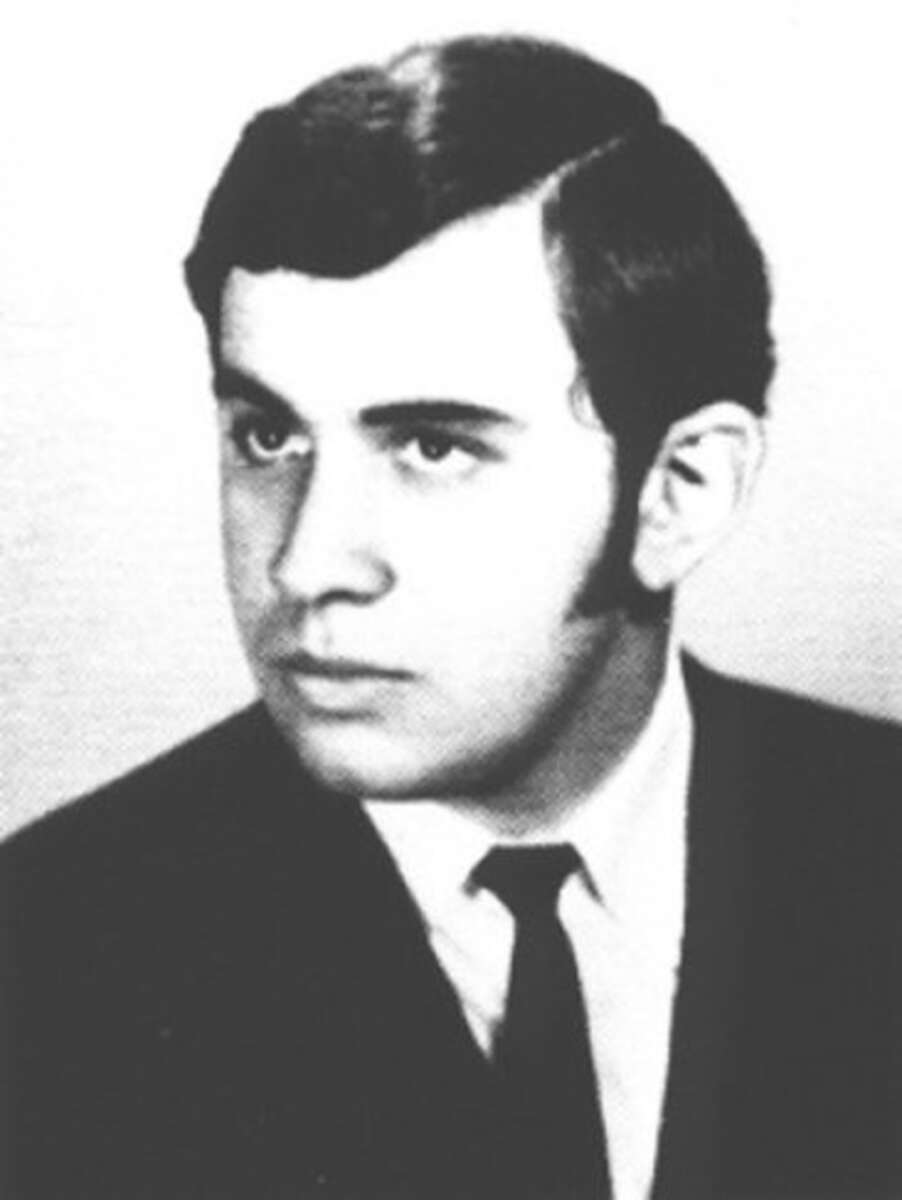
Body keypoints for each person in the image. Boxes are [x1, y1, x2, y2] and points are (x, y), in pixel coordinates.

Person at [1, 34, 899, 1200]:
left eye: (433, 446)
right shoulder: (51, 958)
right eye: (266, 437)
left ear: (680, 490)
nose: (306, 560)